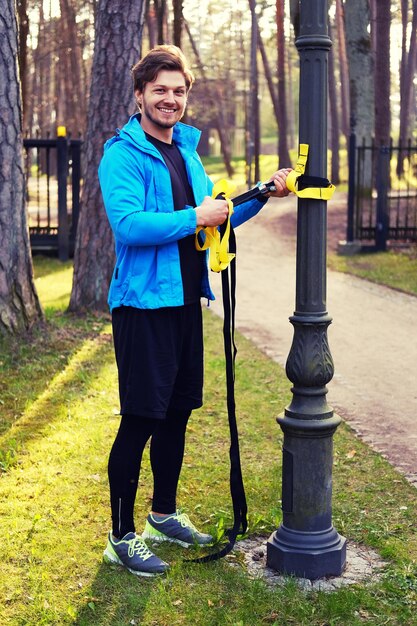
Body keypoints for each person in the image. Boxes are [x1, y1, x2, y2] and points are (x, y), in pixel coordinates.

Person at [98, 44, 291, 577]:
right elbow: (130, 226)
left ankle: (162, 513)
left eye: (178, 91)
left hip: (185, 302)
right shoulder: (123, 153)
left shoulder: (185, 150)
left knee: (177, 412)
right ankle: (120, 535)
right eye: (160, 90)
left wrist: (261, 194)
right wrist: (194, 214)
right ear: (140, 95)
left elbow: (212, 218)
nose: (170, 99)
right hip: (142, 308)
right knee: (141, 417)